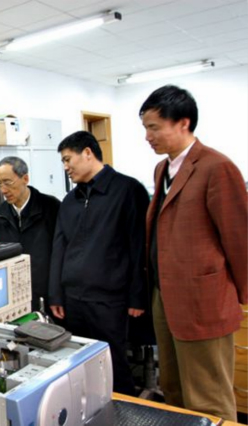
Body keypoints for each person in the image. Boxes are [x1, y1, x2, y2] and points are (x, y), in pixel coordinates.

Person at [140, 85, 247, 420]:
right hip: (165, 297)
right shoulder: (162, 169)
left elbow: (239, 238)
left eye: (154, 127)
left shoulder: (217, 167)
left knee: (208, 396)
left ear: (183, 123)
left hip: (204, 300)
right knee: (173, 388)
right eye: (145, 128)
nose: (147, 137)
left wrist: (242, 297)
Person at [48, 131, 149, 396]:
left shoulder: (127, 190)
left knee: (114, 367)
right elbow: (59, 247)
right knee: (80, 367)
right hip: (73, 300)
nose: (65, 167)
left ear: (87, 153)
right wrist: (55, 293)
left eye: (68, 159)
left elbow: (138, 246)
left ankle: (125, 411)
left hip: (109, 299)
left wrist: (137, 296)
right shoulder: (70, 200)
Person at [0, 156, 60, 314]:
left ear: (25, 179)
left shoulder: (51, 208)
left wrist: (57, 294)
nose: (3, 190)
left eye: (8, 182)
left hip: (48, 294)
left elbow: (62, 255)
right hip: (12, 297)